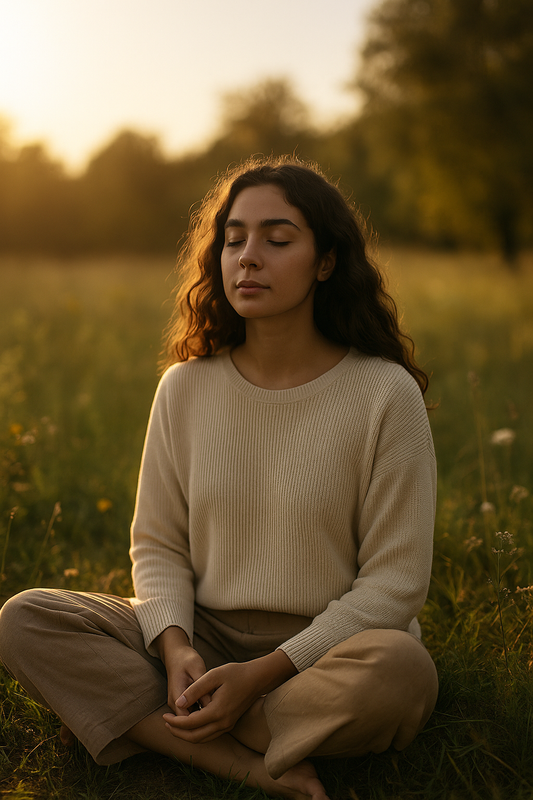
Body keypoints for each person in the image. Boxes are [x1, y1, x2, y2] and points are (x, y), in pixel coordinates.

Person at [0, 156, 438, 800]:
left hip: (325, 648)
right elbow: (158, 547)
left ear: (326, 261)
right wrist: (177, 651)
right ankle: (239, 762)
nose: (247, 257)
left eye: (277, 239)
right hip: (202, 635)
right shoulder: (185, 388)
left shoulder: (383, 393)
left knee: (403, 670)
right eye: (233, 239)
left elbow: (396, 584)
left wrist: (259, 675)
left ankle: (165, 720)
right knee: (25, 619)